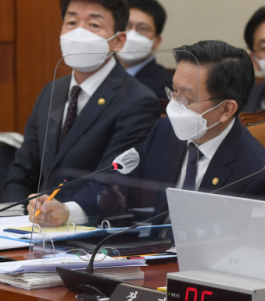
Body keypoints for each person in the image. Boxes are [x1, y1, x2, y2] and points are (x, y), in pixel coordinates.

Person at [27, 40, 265, 226]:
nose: (174, 104)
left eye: (187, 99)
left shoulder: (257, 174)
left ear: (226, 109)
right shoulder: (164, 132)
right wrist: (67, 211)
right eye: (174, 92)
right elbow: (119, 189)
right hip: (144, 262)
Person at [3, 0, 160, 204]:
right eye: (71, 22)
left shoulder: (137, 101)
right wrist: (15, 215)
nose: (79, 33)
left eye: (94, 25)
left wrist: (67, 213)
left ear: (118, 41)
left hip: (85, 226)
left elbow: (113, 181)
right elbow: (22, 172)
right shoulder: (51, 91)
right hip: (31, 224)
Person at [116, 0, 172, 100]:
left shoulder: (165, 85)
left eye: (142, 28)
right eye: (126, 26)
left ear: (156, 41)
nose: (131, 35)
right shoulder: (100, 71)